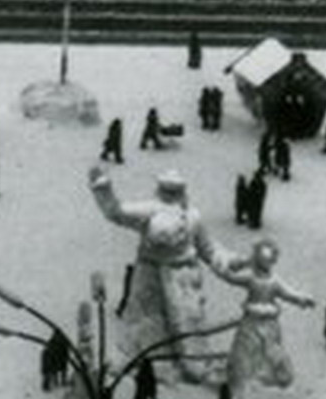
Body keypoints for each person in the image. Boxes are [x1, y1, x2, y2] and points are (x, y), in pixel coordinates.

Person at [89, 166, 229, 384]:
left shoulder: (179, 215)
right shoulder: (164, 213)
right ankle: (160, 360)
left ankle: (188, 360)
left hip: (175, 277)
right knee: (152, 319)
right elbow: (208, 250)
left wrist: (104, 190)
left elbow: (116, 212)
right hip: (159, 274)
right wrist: (104, 190)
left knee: (177, 319)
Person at [209, 238, 314, 399]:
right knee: (243, 355)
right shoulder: (250, 277)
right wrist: (231, 265)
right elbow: (231, 277)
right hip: (251, 324)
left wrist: (301, 299)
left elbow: (288, 293)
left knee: (270, 354)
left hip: (270, 326)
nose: (268, 265)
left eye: (271, 261)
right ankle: (240, 385)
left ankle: (265, 382)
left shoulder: (274, 281)